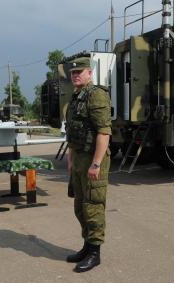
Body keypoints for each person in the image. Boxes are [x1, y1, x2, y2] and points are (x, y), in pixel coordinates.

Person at [65, 57, 112, 273]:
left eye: (80, 72)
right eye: (73, 73)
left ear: (90, 73)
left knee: (93, 207)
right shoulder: (76, 97)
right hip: (79, 159)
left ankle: (95, 253)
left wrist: (96, 164)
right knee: (80, 207)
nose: (75, 75)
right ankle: (86, 246)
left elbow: (103, 132)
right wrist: (71, 161)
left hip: (94, 159)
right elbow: (72, 134)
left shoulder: (97, 95)